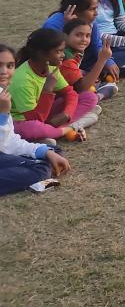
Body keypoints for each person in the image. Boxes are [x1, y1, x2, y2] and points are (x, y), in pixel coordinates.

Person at [0, 44, 71, 196]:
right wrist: (3, 114)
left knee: (52, 151)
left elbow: (9, 140)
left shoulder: (2, 93)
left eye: (10, 66)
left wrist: (44, 152)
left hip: (4, 149)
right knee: (39, 169)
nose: (4, 71)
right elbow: (3, 144)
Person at [7, 29, 99, 142]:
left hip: (46, 117)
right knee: (34, 128)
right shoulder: (22, 80)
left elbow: (70, 93)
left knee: (89, 97)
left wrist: (66, 114)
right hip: (23, 121)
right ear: (41, 54)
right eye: (58, 51)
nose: (63, 55)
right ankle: (69, 128)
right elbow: (35, 119)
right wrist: (48, 89)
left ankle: (51, 132)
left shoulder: (51, 67)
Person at [42, 0, 125, 81]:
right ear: (77, 10)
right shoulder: (53, 24)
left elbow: (96, 44)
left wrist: (108, 62)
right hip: (63, 62)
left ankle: (98, 72)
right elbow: (56, 54)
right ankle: (92, 74)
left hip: (82, 57)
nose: (96, 13)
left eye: (96, 8)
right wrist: (68, 27)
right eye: (92, 9)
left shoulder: (90, 20)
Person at [59, 19, 117, 102]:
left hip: (71, 84)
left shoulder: (74, 51)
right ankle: (97, 97)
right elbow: (82, 88)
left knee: (88, 75)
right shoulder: (66, 57)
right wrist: (102, 60)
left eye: (87, 36)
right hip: (61, 96)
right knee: (90, 94)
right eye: (78, 35)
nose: (84, 39)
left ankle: (99, 89)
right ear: (66, 36)